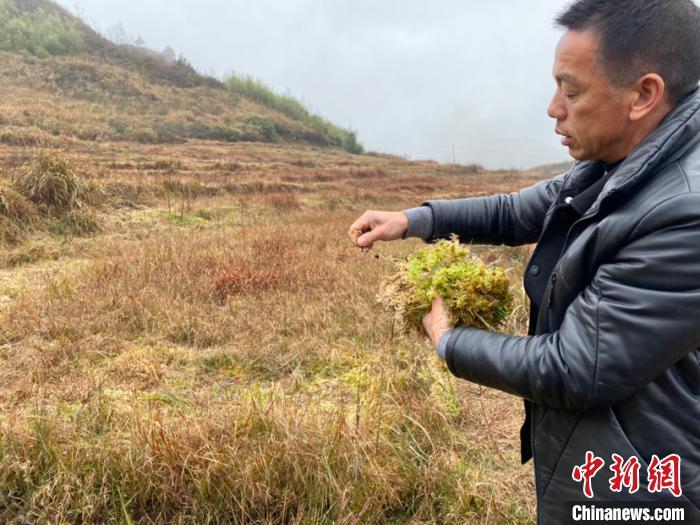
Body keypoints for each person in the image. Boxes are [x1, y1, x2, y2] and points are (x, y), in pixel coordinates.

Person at [349, 1, 700, 523]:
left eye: (572, 90)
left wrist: (451, 341)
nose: (554, 108)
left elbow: (576, 367)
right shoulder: (622, 163)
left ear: (643, 95)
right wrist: (412, 219)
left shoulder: (682, 212)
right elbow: (516, 211)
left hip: (642, 491)